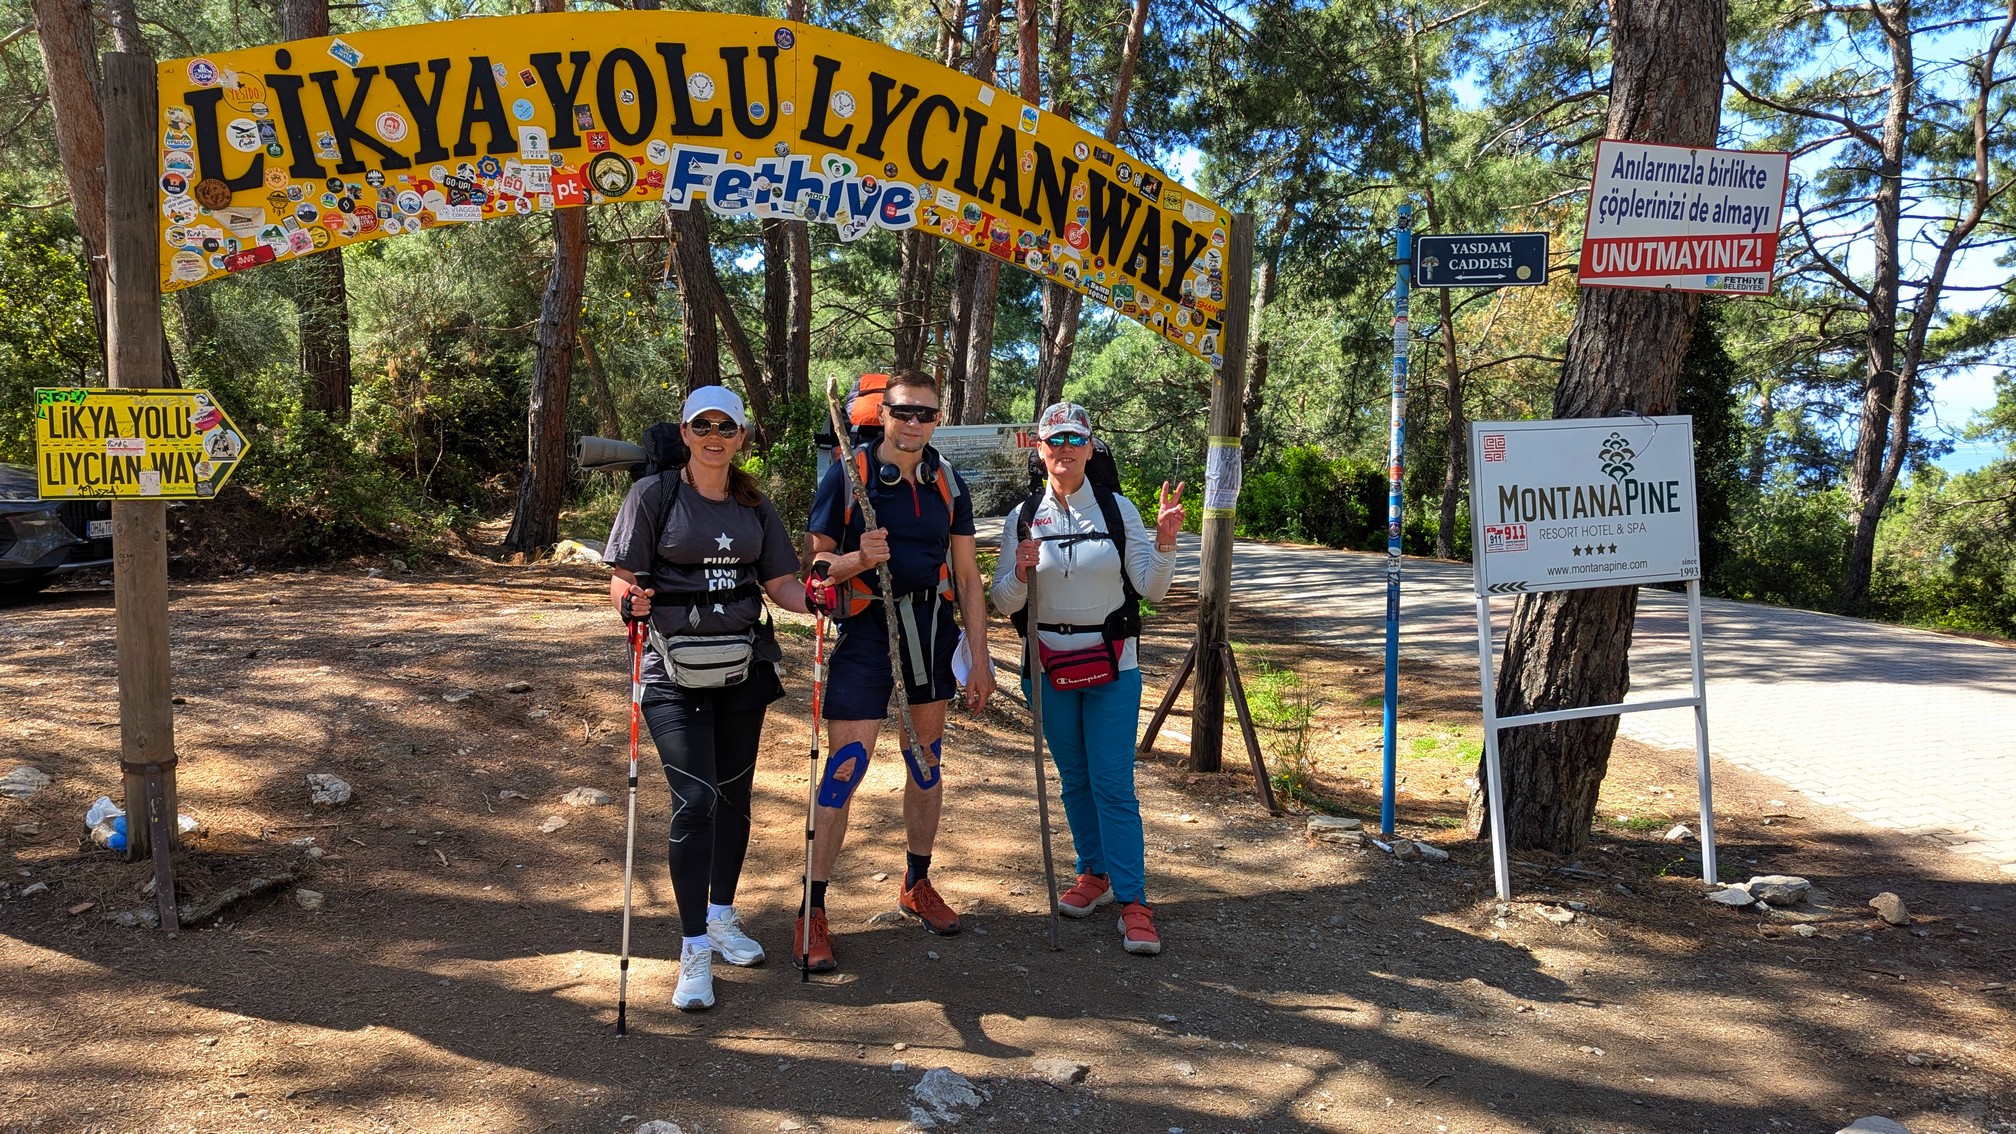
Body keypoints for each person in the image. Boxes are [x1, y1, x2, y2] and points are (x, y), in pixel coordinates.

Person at [603, 386, 813, 1011]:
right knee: (696, 800)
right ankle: (693, 946)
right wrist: (629, 603)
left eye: (727, 426)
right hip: (671, 668)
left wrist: (817, 599)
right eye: (703, 425)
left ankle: (722, 915)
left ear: (742, 436)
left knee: (734, 795)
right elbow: (622, 579)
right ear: (686, 434)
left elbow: (780, 583)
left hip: (742, 667)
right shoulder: (653, 495)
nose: (714, 436)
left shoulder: (753, 503)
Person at [799, 368, 995, 972]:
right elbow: (816, 570)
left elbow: (968, 577)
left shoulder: (947, 480)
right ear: (882, 414)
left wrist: (980, 658)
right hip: (866, 632)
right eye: (903, 411)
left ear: (938, 420)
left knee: (925, 763)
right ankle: (812, 909)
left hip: (931, 633)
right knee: (845, 770)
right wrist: (859, 558)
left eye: (925, 414)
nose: (913, 423)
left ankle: (916, 883)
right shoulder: (848, 474)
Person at [990, 402, 1184, 955]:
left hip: (1112, 665)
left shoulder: (1118, 510)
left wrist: (1165, 543)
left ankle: (1134, 902)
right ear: (1039, 449)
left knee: (1113, 784)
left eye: (1076, 439)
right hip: (1047, 667)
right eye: (1055, 440)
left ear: (1091, 447)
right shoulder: (1022, 516)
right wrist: (1020, 571)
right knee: (1075, 779)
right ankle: (1093, 873)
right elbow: (1004, 600)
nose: (1065, 449)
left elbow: (1151, 589)